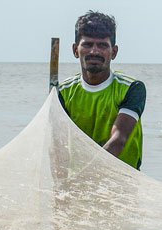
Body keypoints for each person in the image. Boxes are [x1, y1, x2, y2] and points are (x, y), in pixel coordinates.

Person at [56, 11, 146, 168]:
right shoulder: (63, 92)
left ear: (114, 52)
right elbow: (60, 144)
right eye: (88, 44)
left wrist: (88, 174)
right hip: (78, 180)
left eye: (102, 45)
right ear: (75, 50)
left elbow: (119, 140)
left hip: (123, 181)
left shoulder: (131, 88)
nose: (94, 52)